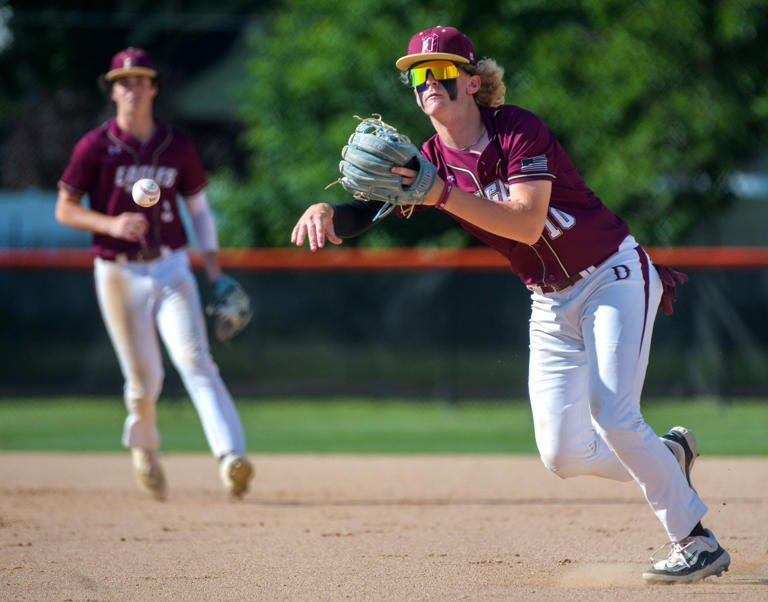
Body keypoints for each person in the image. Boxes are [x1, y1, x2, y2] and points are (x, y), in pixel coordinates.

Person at [291, 26, 730, 584]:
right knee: (562, 455)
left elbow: (526, 222)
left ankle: (695, 540)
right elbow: (372, 210)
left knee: (613, 413)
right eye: (418, 75)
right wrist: (329, 211)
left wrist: (439, 193)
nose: (428, 81)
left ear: (472, 82)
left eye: (442, 71)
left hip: (612, 276)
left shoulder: (517, 130)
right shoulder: (429, 160)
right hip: (548, 301)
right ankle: (669, 459)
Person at [56, 47, 253, 500]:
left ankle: (231, 457)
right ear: (112, 90)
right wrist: (110, 224)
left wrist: (215, 270)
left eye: (141, 80)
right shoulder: (95, 146)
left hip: (170, 265)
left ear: (154, 88)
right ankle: (144, 449)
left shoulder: (176, 146)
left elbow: (199, 212)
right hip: (118, 272)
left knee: (195, 359)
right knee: (146, 382)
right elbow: (64, 209)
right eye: (124, 81)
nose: (133, 88)